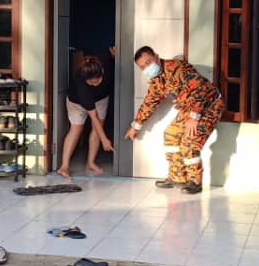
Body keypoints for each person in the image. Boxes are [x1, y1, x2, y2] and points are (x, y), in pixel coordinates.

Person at [124, 46, 223, 194]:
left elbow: (199, 89)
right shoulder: (157, 81)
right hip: (189, 108)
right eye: (142, 67)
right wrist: (135, 127)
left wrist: (194, 117)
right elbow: (149, 103)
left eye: (148, 62)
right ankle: (177, 177)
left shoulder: (177, 67)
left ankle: (195, 181)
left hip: (209, 105)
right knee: (171, 134)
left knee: (189, 141)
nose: (147, 68)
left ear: (156, 57)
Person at [58, 55, 115, 179]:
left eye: (96, 81)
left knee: (98, 127)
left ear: (102, 72)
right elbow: (93, 116)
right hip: (76, 102)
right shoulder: (82, 86)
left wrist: (113, 54)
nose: (93, 84)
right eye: (90, 82)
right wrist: (104, 139)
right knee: (76, 128)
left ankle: (91, 162)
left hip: (101, 99)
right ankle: (64, 166)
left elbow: (112, 55)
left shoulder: (106, 68)